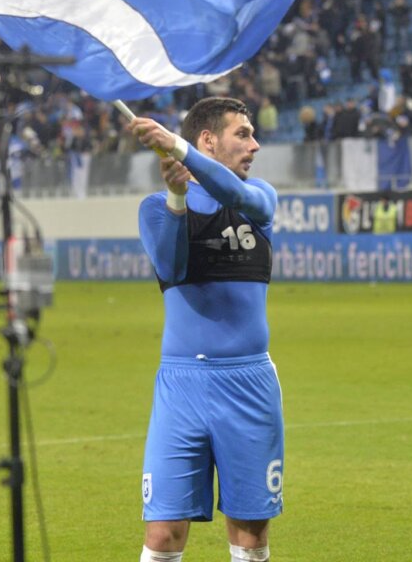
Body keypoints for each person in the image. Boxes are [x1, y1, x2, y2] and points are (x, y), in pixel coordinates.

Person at [130, 98, 283, 562]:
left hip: (249, 382)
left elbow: (239, 197)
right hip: (182, 386)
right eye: (243, 133)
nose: (255, 144)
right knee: (163, 535)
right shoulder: (156, 206)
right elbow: (173, 267)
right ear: (208, 140)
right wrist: (177, 198)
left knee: (251, 533)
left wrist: (175, 147)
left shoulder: (259, 196)